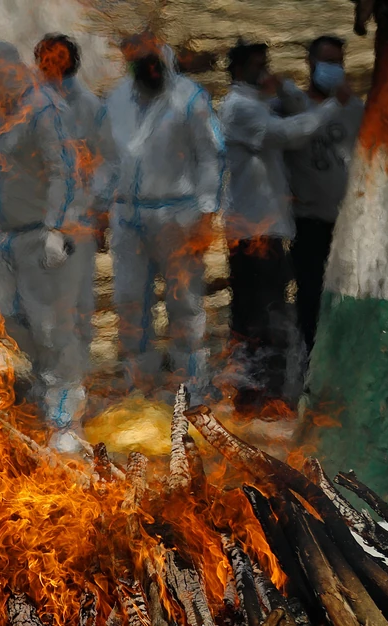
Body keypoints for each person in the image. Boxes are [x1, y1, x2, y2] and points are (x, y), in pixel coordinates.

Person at [219, 40, 352, 408]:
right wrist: (331, 107)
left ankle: (259, 393)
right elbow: (291, 132)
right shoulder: (241, 108)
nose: (266, 72)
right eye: (259, 66)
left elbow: (290, 113)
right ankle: (262, 397)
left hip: (267, 227)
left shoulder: (257, 104)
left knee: (265, 313)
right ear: (241, 69)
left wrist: (286, 89)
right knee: (265, 316)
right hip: (254, 230)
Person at [0, 39, 86, 452]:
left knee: (51, 327)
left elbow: (62, 171)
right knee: (11, 326)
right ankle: (37, 409)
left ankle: (66, 420)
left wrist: (55, 229)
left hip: (39, 236)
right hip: (4, 238)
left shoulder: (42, 108)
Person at [104, 32, 224, 401]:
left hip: (179, 212)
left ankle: (193, 387)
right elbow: (107, 160)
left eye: (154, 60)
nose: (149, 68)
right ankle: (139, 388)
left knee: (184, 301)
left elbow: (210, 157)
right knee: (129, 300)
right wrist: (96, 208)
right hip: (128, 214)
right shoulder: (116, 101)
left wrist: (206, 212)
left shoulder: (189, 97)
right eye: (141, 62)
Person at [34, 33, 118, 379]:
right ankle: (47, 379)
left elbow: (109, 162)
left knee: (77, 306)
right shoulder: (30, 105)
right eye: (46, 59)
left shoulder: (89, 107)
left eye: (58, 58)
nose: (51, 65)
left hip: (78, 223)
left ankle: (76, 382)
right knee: (40, 307)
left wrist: (98, 209)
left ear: (71, 63)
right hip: (36, 222)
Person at [275, 36, 364, 353]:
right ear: (310, 64)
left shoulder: (355, 109)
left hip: (346, 222)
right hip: (309, 220)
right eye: (327, 62)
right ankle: (310, 361)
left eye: (338, 62)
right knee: (311, 295)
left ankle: (343, 358)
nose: (333, 69)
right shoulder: (293, 107)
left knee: (347, 294)